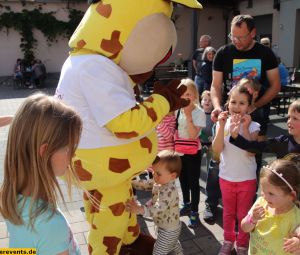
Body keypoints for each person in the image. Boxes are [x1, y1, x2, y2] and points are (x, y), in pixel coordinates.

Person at [0, 93, 83, 254]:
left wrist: (20, 123)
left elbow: (24, 250)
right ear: (45, 152)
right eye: (67, 148)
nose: (73, 155)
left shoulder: (9, 196)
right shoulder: (51, 225)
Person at [211, 14, 280, 141]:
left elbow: (275, 86)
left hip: (257, 113)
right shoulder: (222, 53)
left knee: (253, 154)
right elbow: (215, 85)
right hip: (229, 112)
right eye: (232, 36)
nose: (235, 40)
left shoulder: (266, 53)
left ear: (252, 33)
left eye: (240, 37)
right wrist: (217, 106)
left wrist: (255, 106)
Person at [212, 83, 260, 254]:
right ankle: (228, 240)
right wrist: (220, 126)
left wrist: (244, 129)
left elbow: (250, 153)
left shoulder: (253, 126)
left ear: (249, 107)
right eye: (233, 102)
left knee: (243, 214)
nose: (237, 107)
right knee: (228, 213)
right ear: (228, 104)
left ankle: (241, 243)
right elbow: (216, 150)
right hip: (226, 177)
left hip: (246, 179)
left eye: (242, 103)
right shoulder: (222, 123)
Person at [125, 150, 183, 255]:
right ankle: (179, 251)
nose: (154, 175)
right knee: (172, 244)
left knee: (157, 252)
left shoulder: (169, 190)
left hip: (169, 230)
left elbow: (158, 209)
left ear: (173, 176)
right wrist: (130, 181)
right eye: (153, 171)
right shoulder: (160, 181)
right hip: (163, 226)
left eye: (158, 173)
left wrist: (140, 209)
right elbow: (147, 186)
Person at [241, 159, 300, 254]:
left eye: (271, 193)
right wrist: (252, 219)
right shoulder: (261, 203)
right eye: (263, 190)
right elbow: (244, 227)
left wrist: (297, 243)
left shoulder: (296, 217)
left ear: (291, 195)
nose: (264, 196)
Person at [176, 78, 206, 228]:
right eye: (182, 94)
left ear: (194, 96)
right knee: (182, 179)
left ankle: (194, 211)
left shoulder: (199, 112)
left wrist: (188, 116)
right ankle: (186, 203)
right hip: (180, 151)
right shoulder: (177, 111)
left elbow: (194, 135)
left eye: (189, 94)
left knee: (194, 183)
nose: (185, 97)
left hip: (193, 152)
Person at [229, 99, 300, 158]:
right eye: (289, 117)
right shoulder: (282, 141)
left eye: (295, 118)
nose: (289, 121)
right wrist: (236, 137)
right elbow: (255, 147)